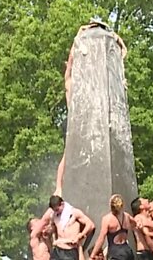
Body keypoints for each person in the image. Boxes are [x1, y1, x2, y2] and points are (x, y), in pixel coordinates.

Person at [53, 19, 128, 197]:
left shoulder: (89, 87)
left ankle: (61, 186)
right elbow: (72, 58)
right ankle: (58, 186)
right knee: (67, 155)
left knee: (72, 154)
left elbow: (124, 52)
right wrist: (82, 32)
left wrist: (115, 38)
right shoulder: (70, 83)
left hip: (87, 123)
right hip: (76, 124)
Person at [39, 195, 95, 260]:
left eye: (57, 209)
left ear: (62, 204)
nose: (56, 212)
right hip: (58, 249)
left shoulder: (74, 212)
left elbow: (90, 224)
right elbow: (53, 228)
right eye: (55, 210)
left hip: (70, 249)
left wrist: (80, 235)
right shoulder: (54, 216)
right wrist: (48, 231)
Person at [89, 194, 139, 260]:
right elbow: (135, 223)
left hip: (115, 253)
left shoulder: (107, 219)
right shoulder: (126, 216)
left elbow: (101, 238)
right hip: (127, 251)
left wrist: (92, 255)